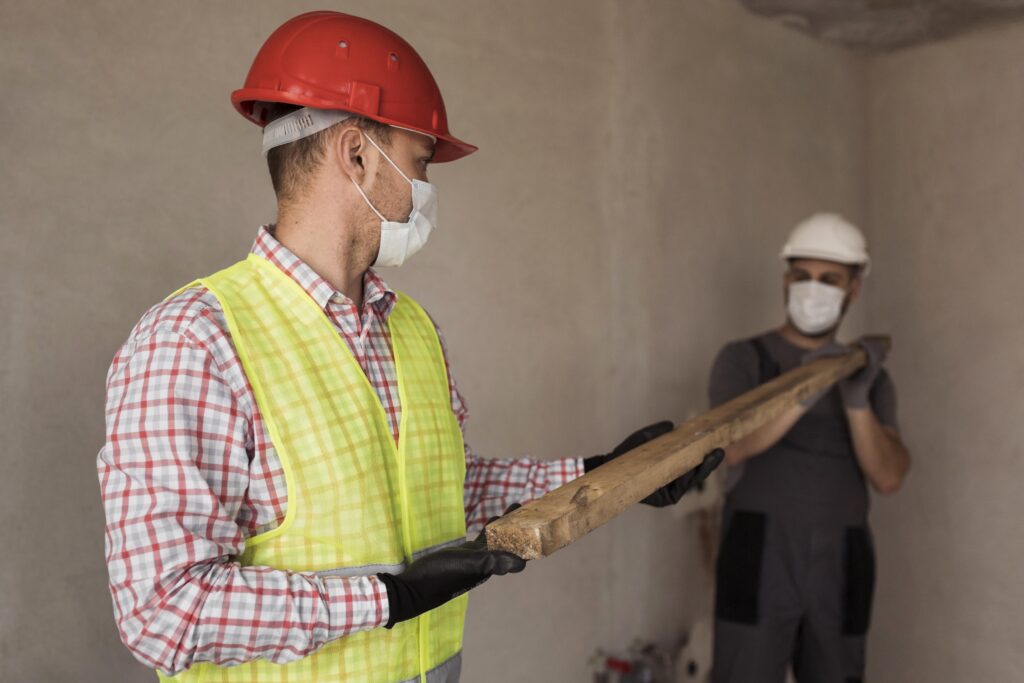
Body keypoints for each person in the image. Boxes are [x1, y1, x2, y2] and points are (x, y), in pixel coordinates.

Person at [96, 12, 721, 682]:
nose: (427, 190)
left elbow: (446, 490)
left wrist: (606, 472)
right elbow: (163, 609)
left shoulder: (412, 328)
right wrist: (388, 597)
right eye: (421, 162)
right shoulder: (194, 340)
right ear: (357, 153)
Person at [708, 213, 911, 683]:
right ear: (785, 279)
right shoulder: (744, 359)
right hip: (758, 549)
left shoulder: (871, 377)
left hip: (844, 555)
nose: (812, 289)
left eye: (829, 279)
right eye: (802, 276)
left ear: (854, 290)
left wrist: (855, 399)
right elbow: (730, 447)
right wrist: (808, 386)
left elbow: (889, 476)